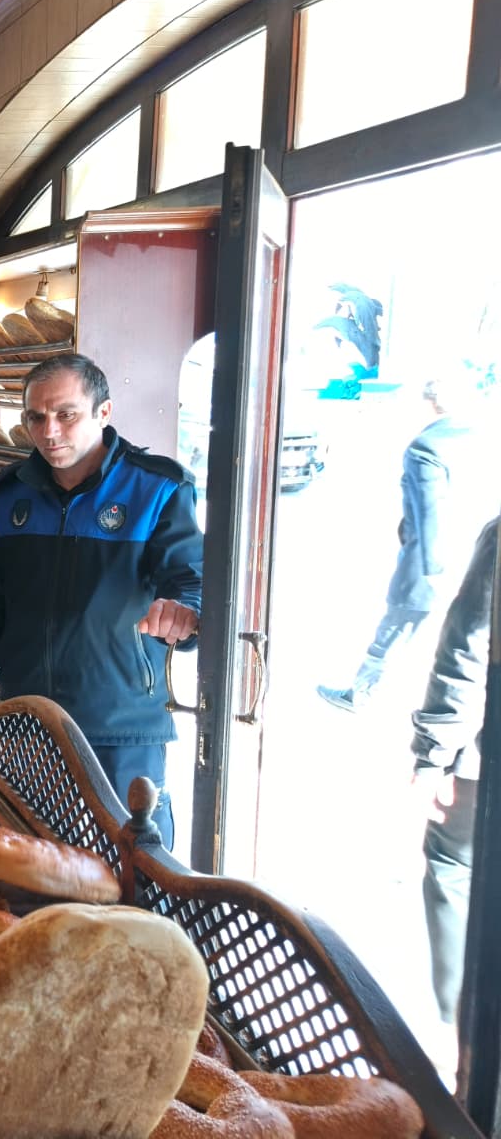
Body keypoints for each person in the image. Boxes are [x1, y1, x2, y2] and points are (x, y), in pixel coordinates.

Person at [0, 353, 202, 847]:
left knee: (132, 870)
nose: (49, 431)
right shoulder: (11, 495)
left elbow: (192, 582)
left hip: (121, 722)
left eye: (66, 414)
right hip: (29, 716)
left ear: (104, 412)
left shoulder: (156, 488)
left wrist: (183, 613)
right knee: (35, 863)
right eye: (35, 416)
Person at [318, 377, 483, 712]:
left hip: (429, 565)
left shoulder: (426, 447)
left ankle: (360, 695)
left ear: (428, 403)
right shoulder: (476, 437)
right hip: (475, 555)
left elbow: (430, 515)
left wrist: (437, 575)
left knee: (395, 629)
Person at [411, 515, 496, 1034]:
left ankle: (462, 1031)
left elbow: (470, 644)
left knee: (451, 862)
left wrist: (433, 758)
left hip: (487, 767)